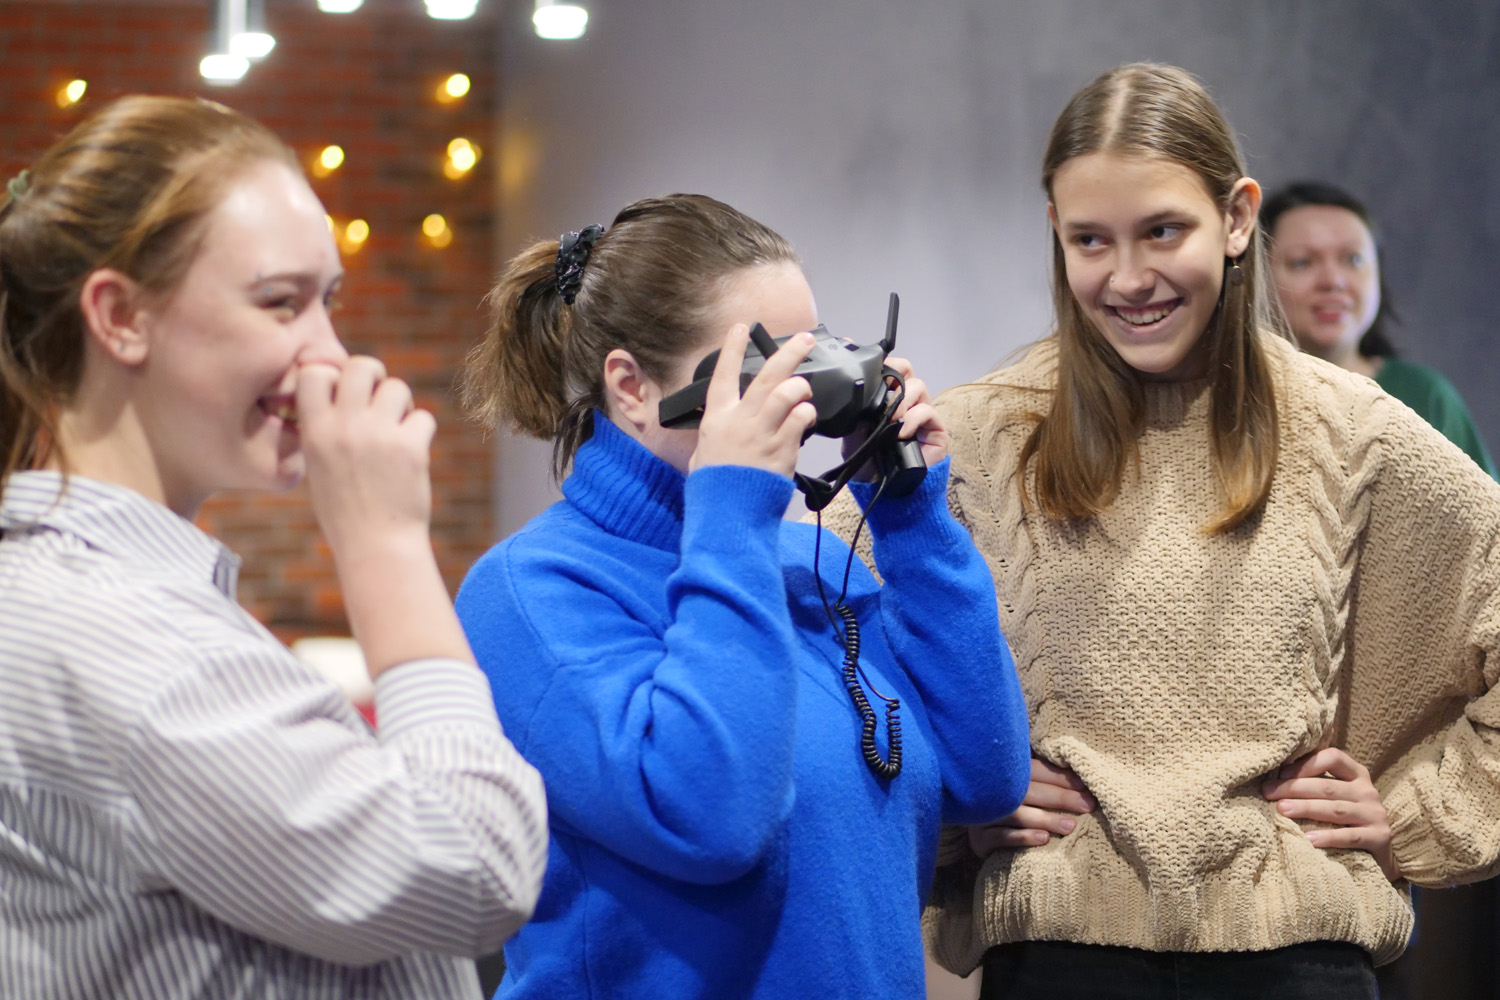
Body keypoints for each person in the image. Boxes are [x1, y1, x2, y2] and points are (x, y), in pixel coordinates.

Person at [821, 64, 1500, 998]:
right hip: (1057, 964)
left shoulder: (1354, 434)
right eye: (1089, 239)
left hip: (1299, 964)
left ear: (1236, 218)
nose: (1129, 276)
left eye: (1163, 231)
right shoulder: (976, 439)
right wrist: (954, 795)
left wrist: (1412, 817)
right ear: (1055, 235)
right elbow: (816, 649)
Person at [0, 96, 547, 999]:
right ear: (120, 315)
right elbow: (478, 869)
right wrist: (383, 544)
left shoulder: (91, 592)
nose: (328, 355)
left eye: (327, 302)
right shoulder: (128, 637)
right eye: (279, 302)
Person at [453, 193, 1031, 999]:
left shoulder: (802, 561)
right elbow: (714, 821)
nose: (803, 400)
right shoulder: (531, 593)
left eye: (814, 355)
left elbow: (984, 776)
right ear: (631, 387)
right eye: (765, 372)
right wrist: (731, 512)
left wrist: (911, 518)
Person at [1262, 180, 1496, 477]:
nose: (1333, 281)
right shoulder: (1238, 395)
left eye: (1353, 259)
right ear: (1260, 277)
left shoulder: (1425, 396)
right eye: (1302, 262)